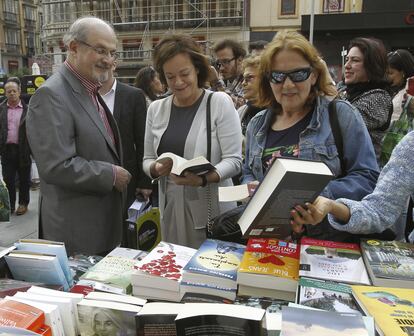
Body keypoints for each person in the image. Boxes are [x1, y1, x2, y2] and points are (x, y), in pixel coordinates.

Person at [241, 30, 379, 242]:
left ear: (314, 75)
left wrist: (318, 195)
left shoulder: (341, 114)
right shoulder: (256, 124)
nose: (287, 85)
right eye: (278, 76)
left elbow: (367, 176)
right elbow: (248, 171)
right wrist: (251, 188)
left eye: (298, 75)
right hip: (269, 242)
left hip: (325, 243)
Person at [26, 17, 131, 256]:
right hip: (76, 234)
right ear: (73, 48)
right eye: (101, 50)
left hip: (99, 226)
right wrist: (111, 174)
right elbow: (56, 166)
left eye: (112, 52)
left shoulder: (89, 89)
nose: (108, 59)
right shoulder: (51, 95)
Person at [143, 34, 242, 249]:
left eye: (184, 73)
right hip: (171, 210)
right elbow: (147, 158)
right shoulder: (156, 109)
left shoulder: (219, 103)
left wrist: (204, 178)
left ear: (197, 68)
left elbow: (234, 161)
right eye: (170, 77)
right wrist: (155, 168)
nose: (178, 82)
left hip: (211, 209)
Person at [291, 131, 414, 242]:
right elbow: (379, 211)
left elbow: (365, 176)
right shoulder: (411, 145)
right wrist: (331, 206)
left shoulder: (344, 112)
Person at [99, 62, 152, 247]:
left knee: (127, 235)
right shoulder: (84, 96)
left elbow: (143, 139)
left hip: (127, 179)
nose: (101, 68)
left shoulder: (133, 95)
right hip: (97, 178)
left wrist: (145, 182)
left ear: (114, 66)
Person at [341, 37, 393, 160]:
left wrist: (325, 83)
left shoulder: (380, 97)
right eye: (347, 59)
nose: (347, 65)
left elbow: (343, 123)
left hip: (359, 173)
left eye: (355, 60)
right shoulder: (346, 92)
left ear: (372, 66)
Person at [0, 77, 31, 215]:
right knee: (7, 179)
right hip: (6, 149)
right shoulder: (1, 109)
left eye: (14, 91)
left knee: (24, 179)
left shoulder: (28, 109)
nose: (11, 93)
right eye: (8, 91)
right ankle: (10, 205)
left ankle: (23, 204)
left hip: (23, 149)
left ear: (19, 92)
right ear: (5, 93)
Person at [213, 39, 247, 109]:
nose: (221, 68)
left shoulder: (249, 79)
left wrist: (215, 82)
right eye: (219, 63)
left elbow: (239, 107)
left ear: (239, 60)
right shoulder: (223, 79)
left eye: (226, 62)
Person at [237, 56, 263, 137]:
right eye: (243, 79)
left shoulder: (278, 113)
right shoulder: (241, 112)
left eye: (250, 77)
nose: (243, 83)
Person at [387, 49, 414, 122]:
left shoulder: (410, 90)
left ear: (403, 72)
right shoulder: (392, 90)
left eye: (390, 73)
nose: (387, 77)